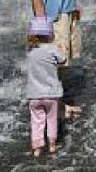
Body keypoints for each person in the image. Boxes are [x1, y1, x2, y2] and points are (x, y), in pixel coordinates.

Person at [26, 17, 65, 157]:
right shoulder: (52, 49)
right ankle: (52, 144)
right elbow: (62, 60)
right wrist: (62, 49)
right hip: (51, 94)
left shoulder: (30, 52)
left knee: (37, 120)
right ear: (50, 34)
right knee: (51, 118)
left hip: (34, 95)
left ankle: (37, 148)